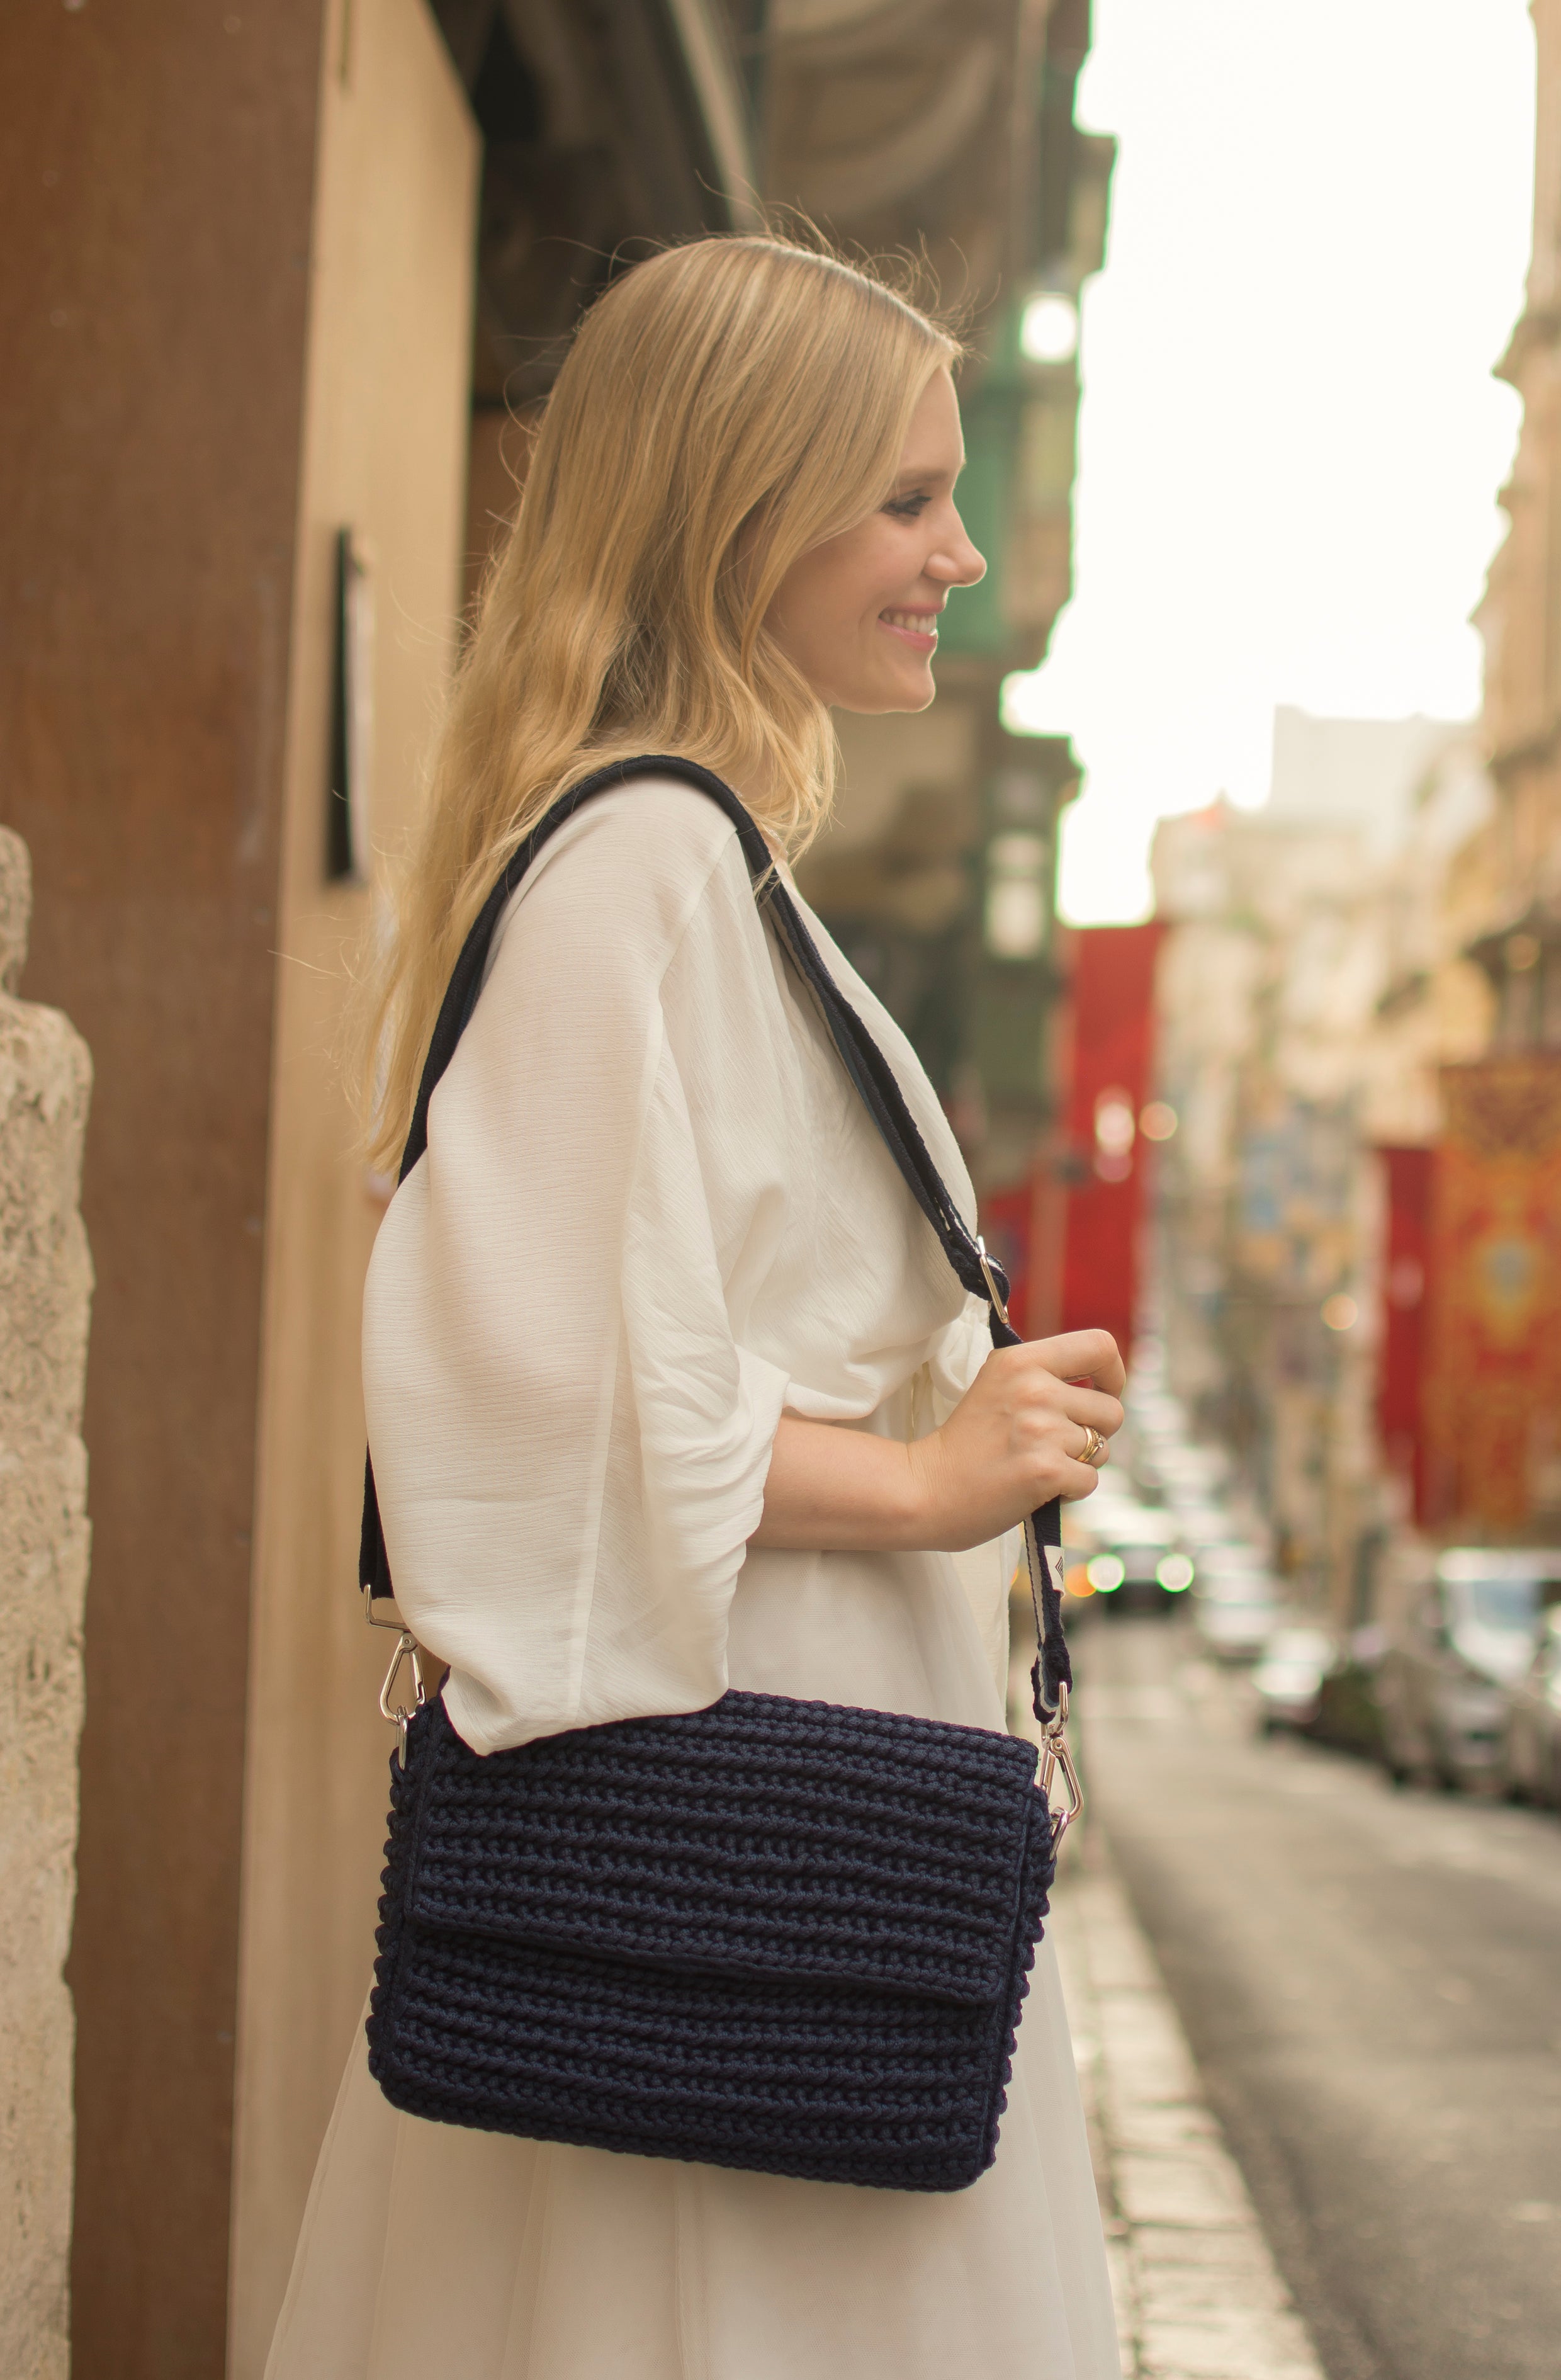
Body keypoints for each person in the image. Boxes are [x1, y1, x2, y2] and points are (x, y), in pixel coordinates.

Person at [266, 233, 1126, 2380]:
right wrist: (936, 1477)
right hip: (743, 1815)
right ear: (743, 509)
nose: (966, 549)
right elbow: (544, 1390)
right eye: (909, 499)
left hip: (767, 1786)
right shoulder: (638, 861)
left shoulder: (687, 859)